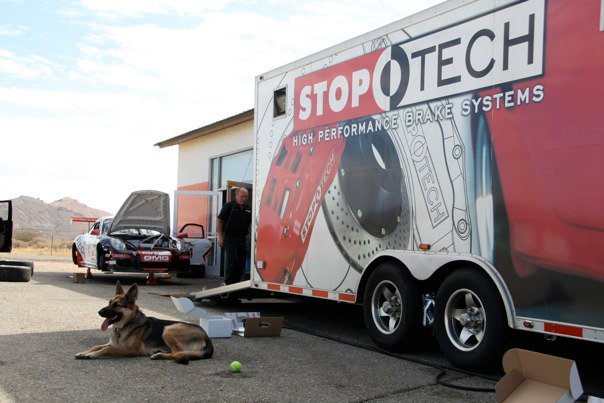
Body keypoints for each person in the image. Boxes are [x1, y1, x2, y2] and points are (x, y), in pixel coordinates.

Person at [217, 187, 251, 285]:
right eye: (242, 196)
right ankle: (228, 283)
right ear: (236, 195)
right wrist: (220, 237)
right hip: (229, 237)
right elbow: (219, 221)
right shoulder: (228, 206)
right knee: (232, 260)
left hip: (242, 238)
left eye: (246, 197)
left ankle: (237, 283)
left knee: (242, 260)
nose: (244, 198)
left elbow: (251, 223)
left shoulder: (248, 208)